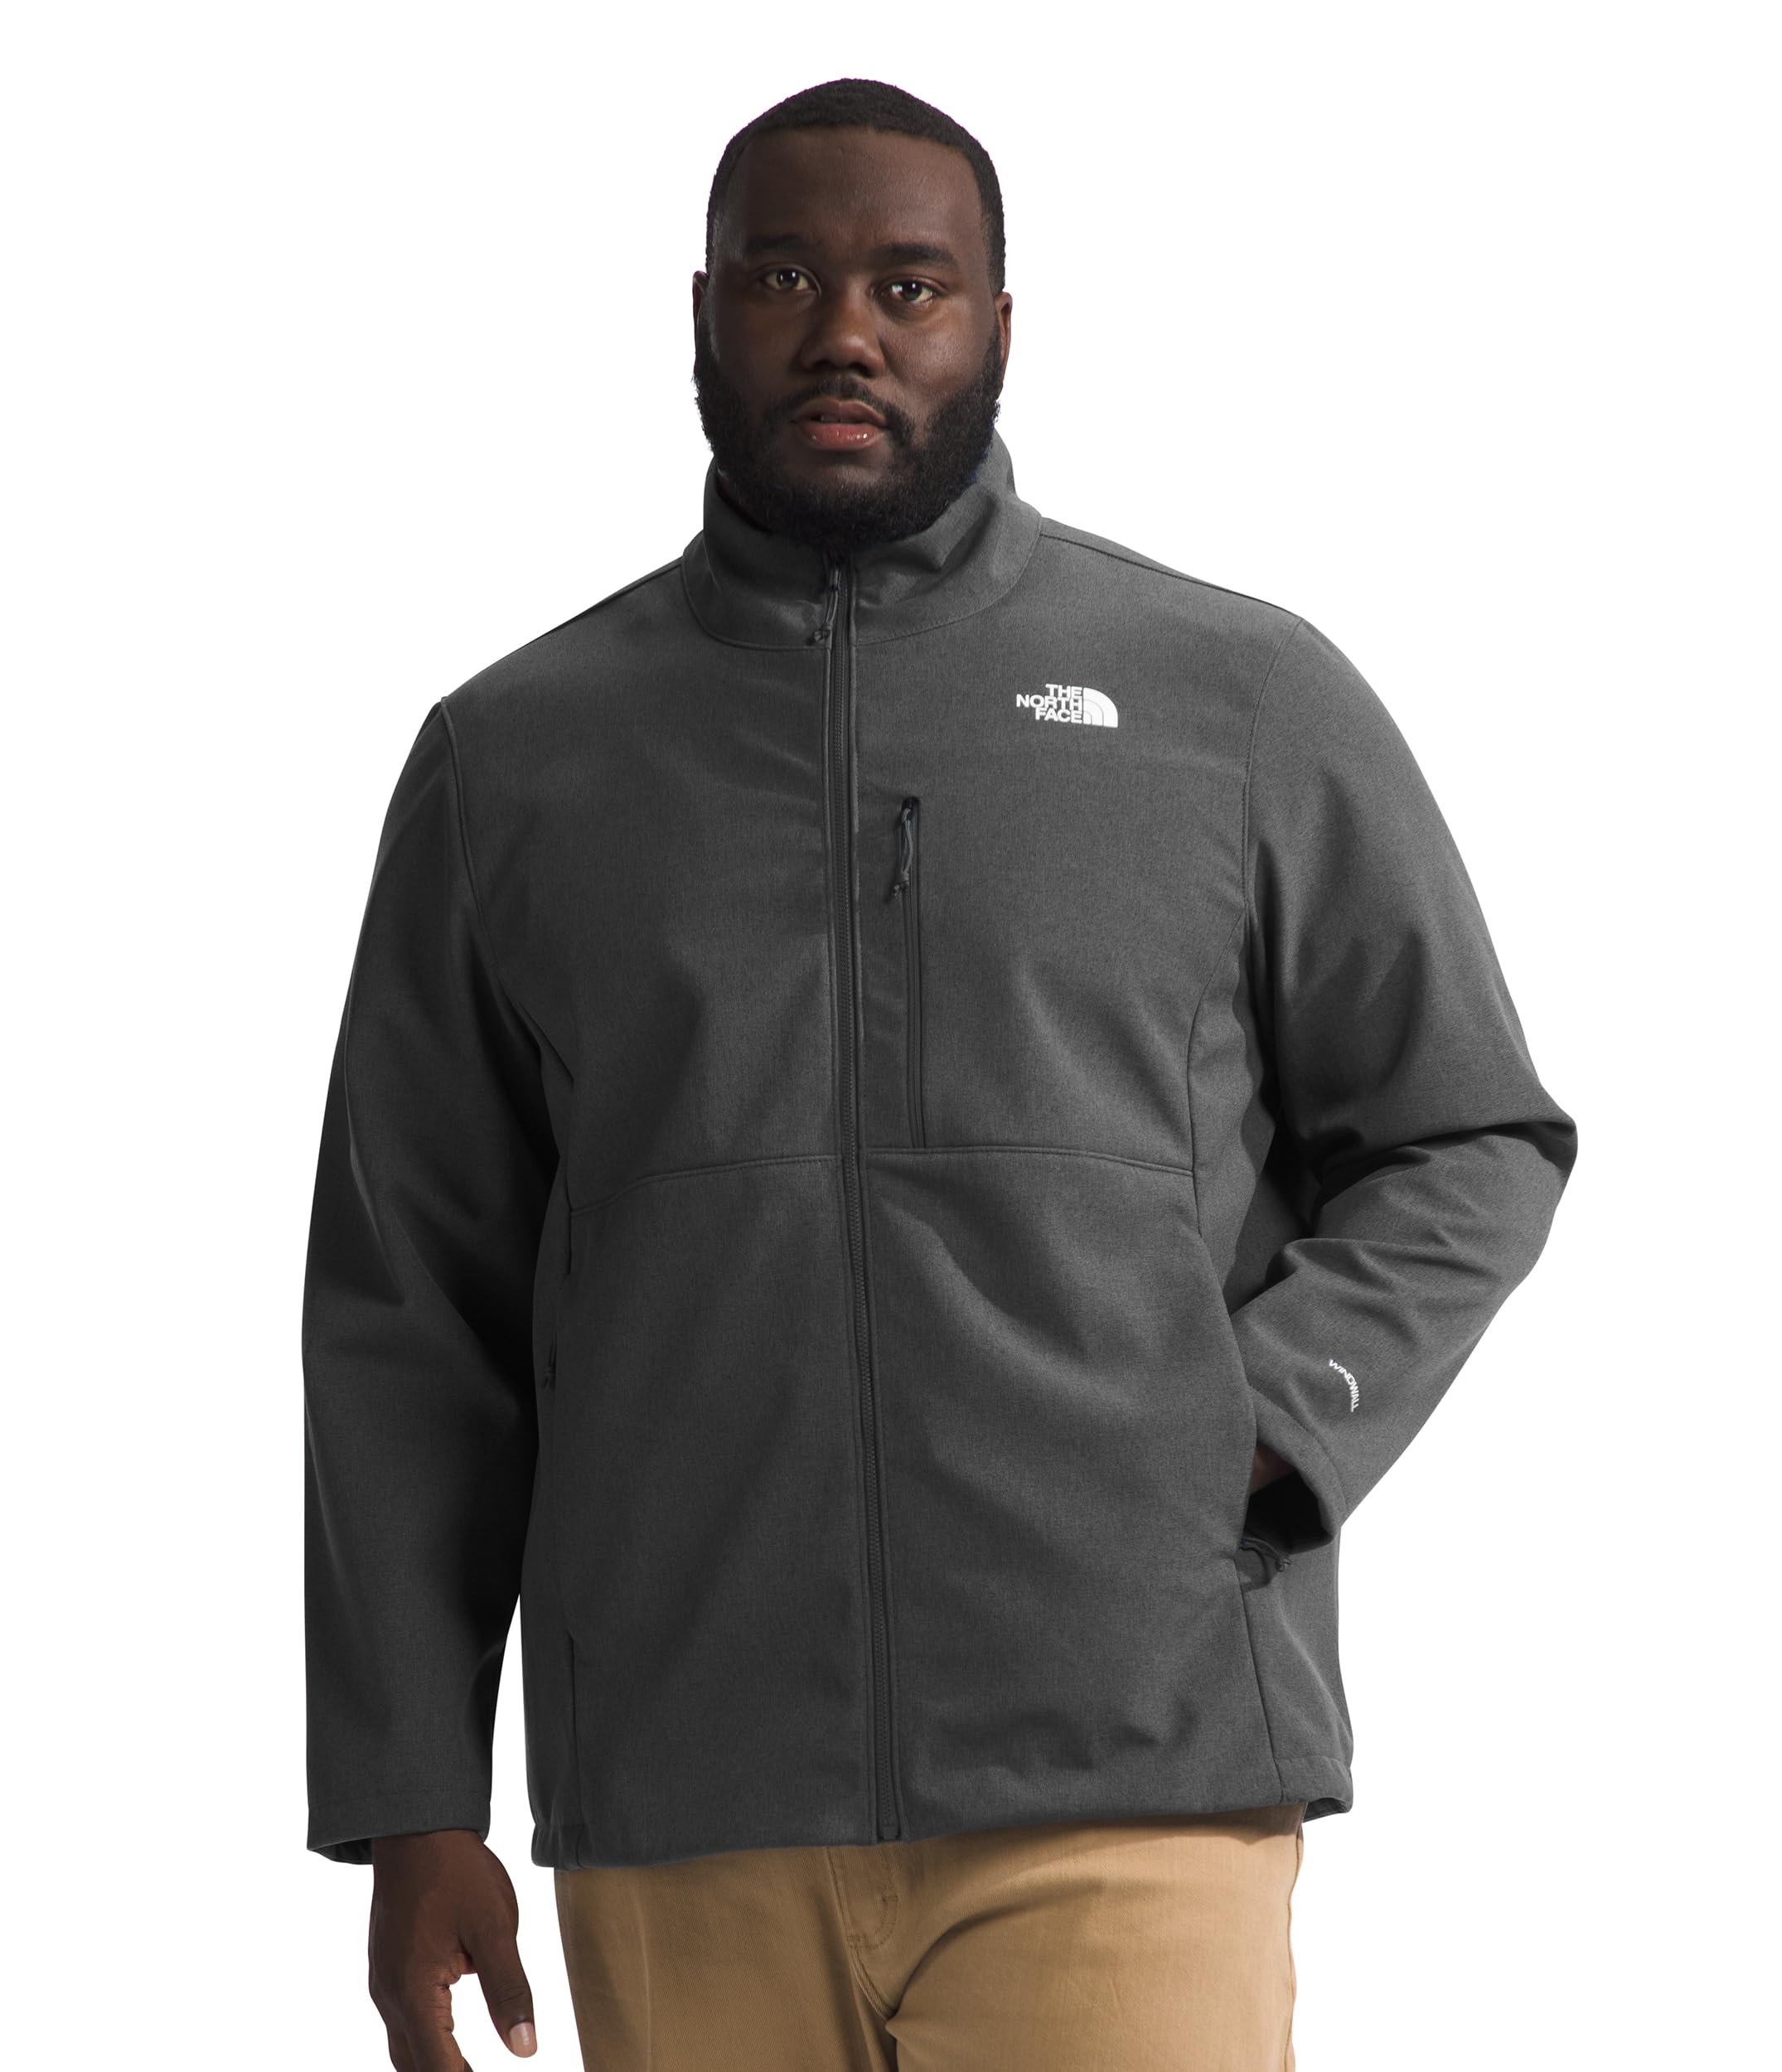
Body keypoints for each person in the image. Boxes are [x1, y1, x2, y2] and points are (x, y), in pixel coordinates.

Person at [303, 75, 1577, 2072]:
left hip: (1131, 1766)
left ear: (996, 321)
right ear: (701, 310)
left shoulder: (1233, 697)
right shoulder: (516, 759)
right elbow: (412, 1308)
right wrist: (410, 1788)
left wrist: (1262, 1416)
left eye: (909, 284)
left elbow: (1464, 1126)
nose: (845, 331)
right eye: (782, 277)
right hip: (687, 1793)